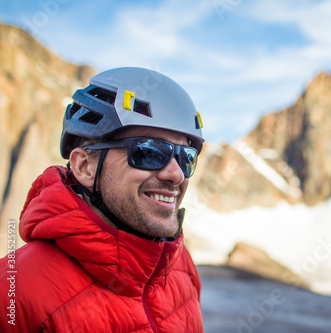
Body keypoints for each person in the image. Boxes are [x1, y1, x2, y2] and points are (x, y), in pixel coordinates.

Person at [0, 67, 205, 332]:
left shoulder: (180, 267)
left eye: (186, 157)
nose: (176, 174)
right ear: (85, 167)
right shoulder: (13, 294)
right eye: (148, 152)